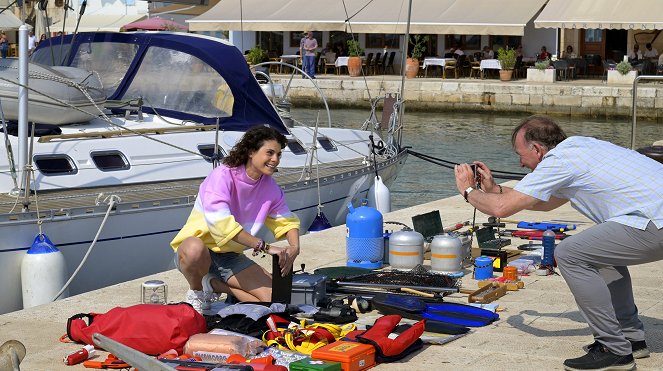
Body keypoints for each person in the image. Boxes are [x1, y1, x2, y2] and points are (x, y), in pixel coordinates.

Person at [454, 115, 663, 371]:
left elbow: (501, 209)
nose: (520, 163)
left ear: (537, 150)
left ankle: (614, 349)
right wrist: (493, 188)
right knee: (597, 251)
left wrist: (467, 190)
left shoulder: (558, 161)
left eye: (520, 155)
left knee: (570, 253)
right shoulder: (581, 147)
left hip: (655, 221)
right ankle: (630, 339)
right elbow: (545, 202)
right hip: (652, 216)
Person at [170, 125, 301, 312]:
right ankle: (197, 290)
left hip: (229, 256)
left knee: (275, 302)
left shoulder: (270, 188)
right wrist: (266, 247)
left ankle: (214, 285)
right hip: (200, 251)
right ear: (251, 151)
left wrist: (294, 247)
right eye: (270, 153)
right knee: (194, 249)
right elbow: (222, 225)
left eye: (279, 154)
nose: (275, 159)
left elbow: (286, 221)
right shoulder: (222, 176)